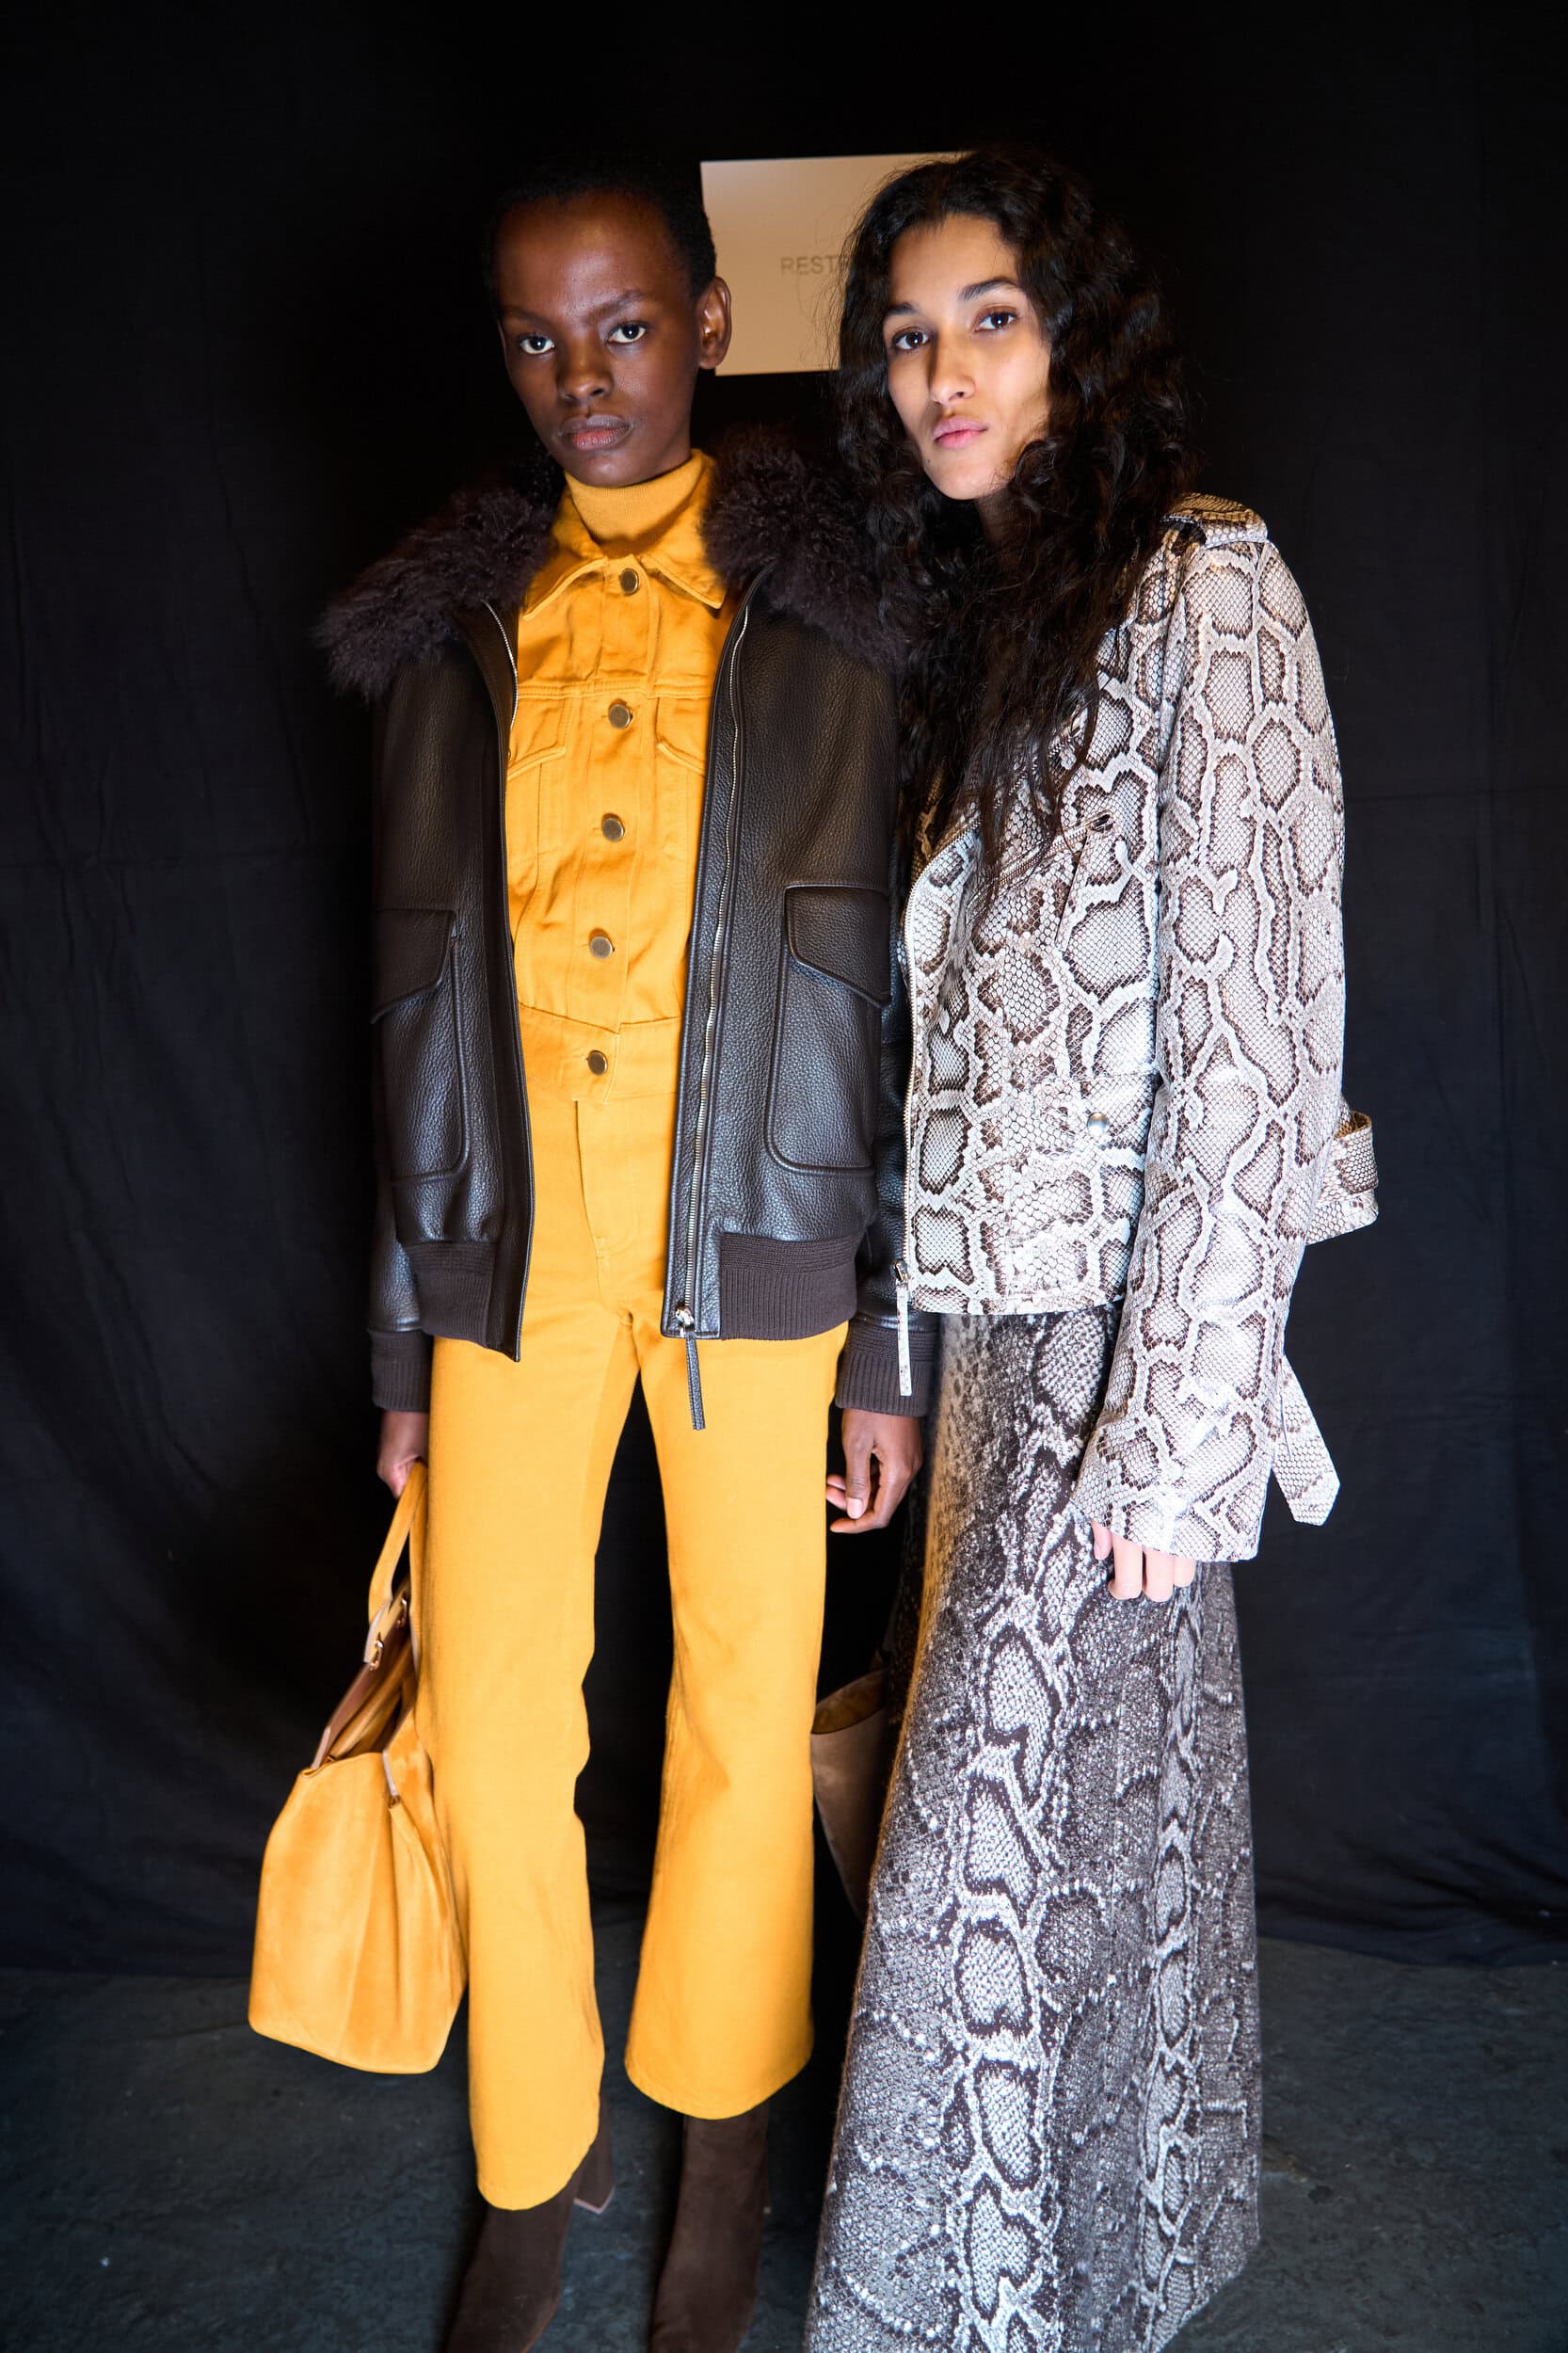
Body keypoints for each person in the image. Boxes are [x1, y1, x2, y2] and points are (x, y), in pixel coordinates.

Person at [321, 158, 923, 2353]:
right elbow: (405, 1012)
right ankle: (527, 2158)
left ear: (707, 322)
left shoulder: (838, 621)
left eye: (625, 325)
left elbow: (902, 1002)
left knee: (741, 1708)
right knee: (494, 1711)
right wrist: (406, 1338)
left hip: (759, 1239)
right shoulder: (447, 643)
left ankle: (720, 2146)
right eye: (537, 338)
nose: (583, 374)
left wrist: (889, 1342)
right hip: (512, 1253)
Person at [810, 149, 1377, 2352]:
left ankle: (956, 2311)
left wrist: (1177, 1428)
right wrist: (888, 1350)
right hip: (985, 1349)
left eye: (989, 316)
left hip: (1126, 1352)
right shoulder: (982, 633)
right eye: (903, 333)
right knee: (1073, 1857)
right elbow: (928, 1053)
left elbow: (1255, 1031)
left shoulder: (1201, 587)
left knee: (986, 1864)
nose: (937, 371)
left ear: (1079, 338)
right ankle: (1102, 2266)